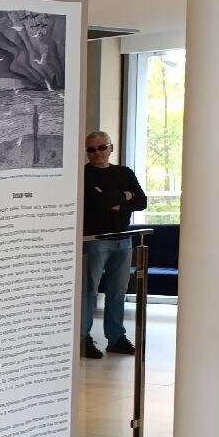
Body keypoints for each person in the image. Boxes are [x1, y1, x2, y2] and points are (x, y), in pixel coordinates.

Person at [81, 130, 147, 358]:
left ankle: (116, 338)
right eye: (91, 149)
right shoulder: (84, 175)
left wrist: (113, 199)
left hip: (123, 239)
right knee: (89, 291)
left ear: (111, 148)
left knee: (118, 291)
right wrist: (125, 196)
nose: (97, 153)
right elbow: (98, 201)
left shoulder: (124, 172)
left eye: (102, 147)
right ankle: (83, 339)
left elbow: (142, 202)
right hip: (95, 241)